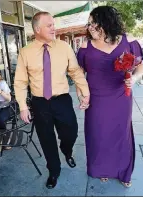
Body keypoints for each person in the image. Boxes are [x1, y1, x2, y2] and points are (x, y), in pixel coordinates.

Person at [14, 11, 90, 189]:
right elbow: (20, 81)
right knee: (46, 139)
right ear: (37, 29)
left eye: (53, 24)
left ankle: (67, 150)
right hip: (40, 103)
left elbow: (75, 72)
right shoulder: (25, 52)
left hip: (62, 100)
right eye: (49, 25)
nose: (53, 28)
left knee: (71, 132)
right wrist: (23, 106)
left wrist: (85, 91)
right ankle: (54, 171)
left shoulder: (64, 47)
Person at [76, 6, 143, 188]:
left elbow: (140, 66)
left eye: (94, 23)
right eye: (88, 23)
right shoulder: (85, 45)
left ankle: (123, 171)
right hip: (96, 99)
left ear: (107, 21)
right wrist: (81, 95)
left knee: (120, 134)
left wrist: (135, 79)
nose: (89, 27)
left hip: (121, 96)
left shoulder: (128, 41)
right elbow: (79, 75)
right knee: (98, 134)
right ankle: (102, 169)